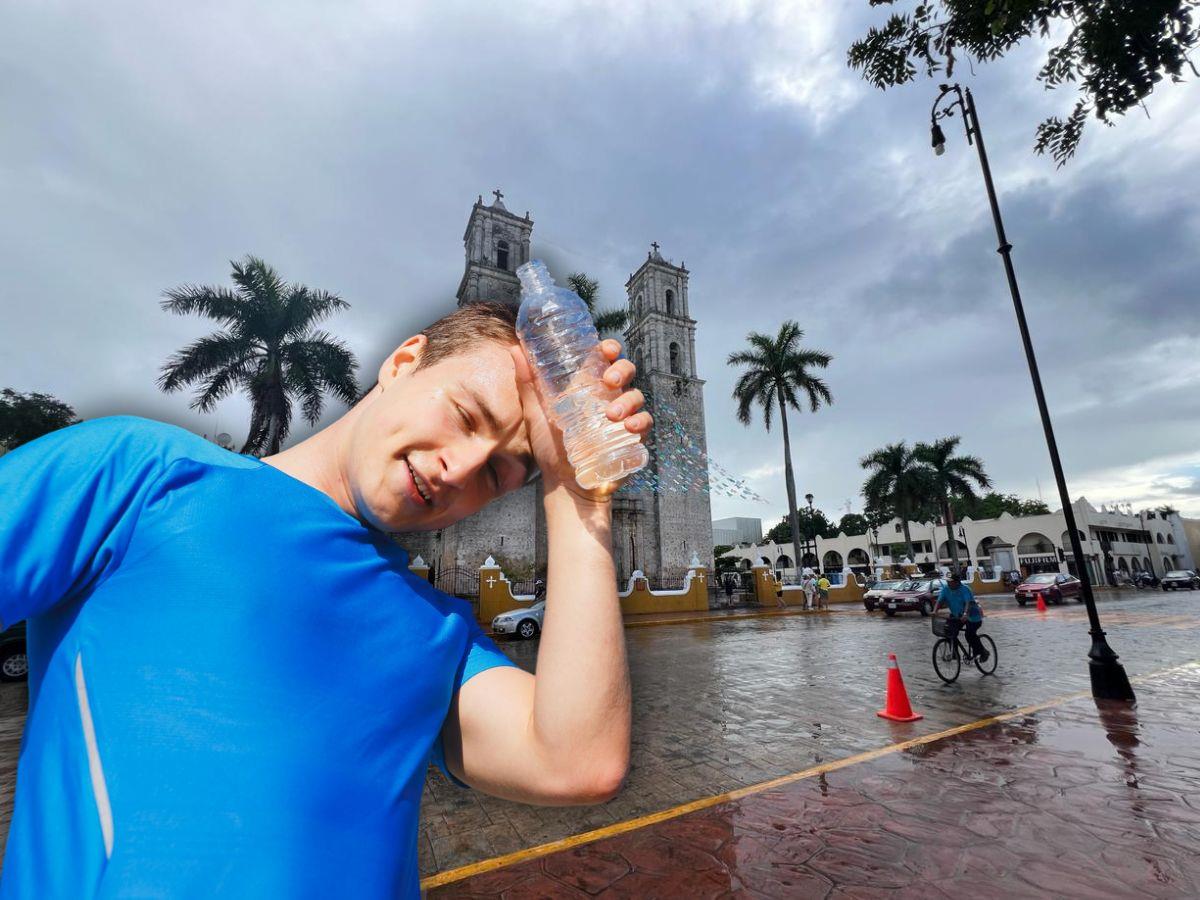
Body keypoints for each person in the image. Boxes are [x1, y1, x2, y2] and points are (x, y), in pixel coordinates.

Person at [0, 302, 650, 898]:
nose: (459, 466)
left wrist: (577, 493)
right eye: (463, 416)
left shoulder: (438, 635)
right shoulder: (143, 476)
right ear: (403, 363)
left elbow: (577, 763)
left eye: (495, 474)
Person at [935, 571, 988, 661]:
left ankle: (983, 652)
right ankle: (954, 653)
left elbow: (968, 602)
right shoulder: (946, 589)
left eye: (950, 581)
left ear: (957, 582)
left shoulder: (965, 589)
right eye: (947, 581)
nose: (948, 583)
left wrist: (965, 614)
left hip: (972, 616)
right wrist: (934, 611)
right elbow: (939, 601)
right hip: (957, 615)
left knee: (969, 634)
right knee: (949, 631)